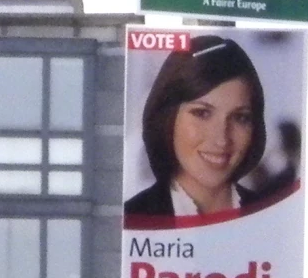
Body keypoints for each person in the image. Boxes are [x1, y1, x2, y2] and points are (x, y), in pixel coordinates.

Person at [123, 36, 293, 224]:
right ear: (167, 118)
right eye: (202, 113)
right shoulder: (135, 218)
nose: (222, 139)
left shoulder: (273, 221)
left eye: (239, 118)